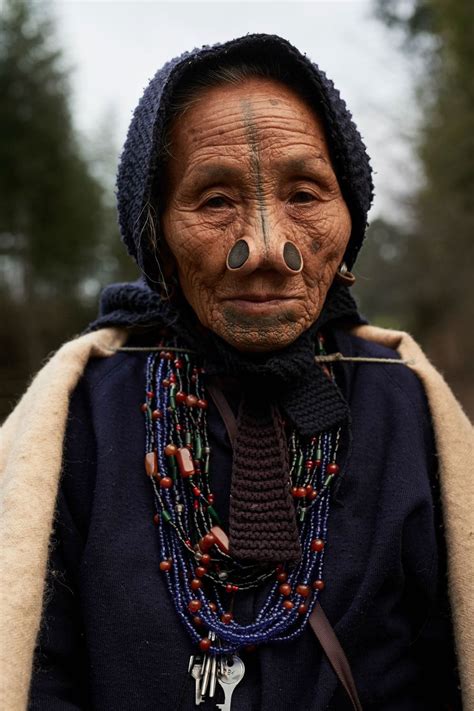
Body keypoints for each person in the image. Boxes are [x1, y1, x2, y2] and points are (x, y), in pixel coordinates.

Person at [1, 34, 472, 711]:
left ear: (351, 218)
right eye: (215, 200)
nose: (267, 249)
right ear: (156, 230)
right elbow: (36, 673)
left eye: (306, 194)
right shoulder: (78, 419)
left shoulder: (405, 402)